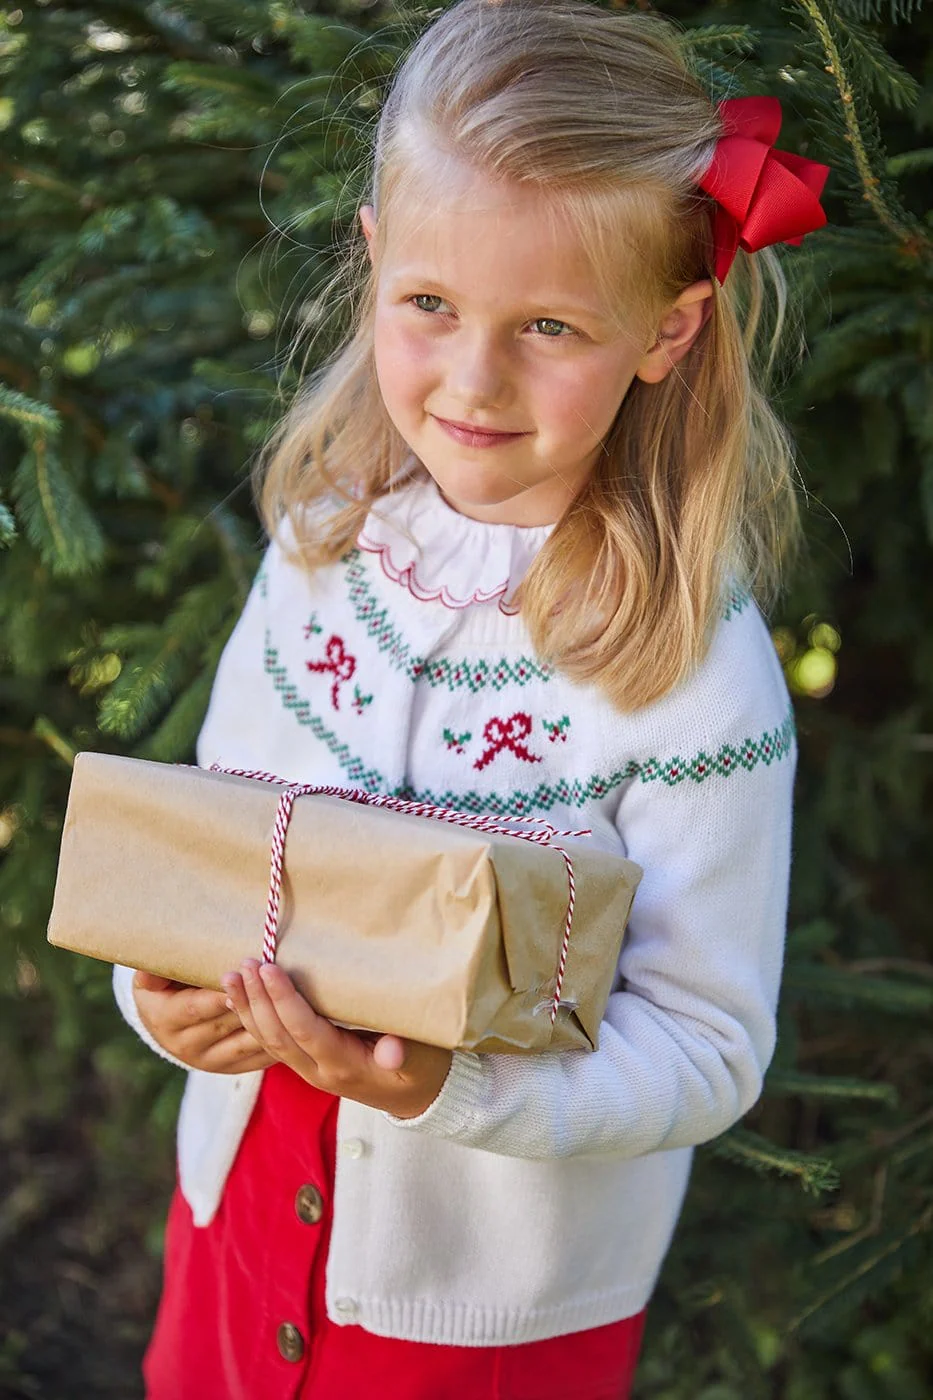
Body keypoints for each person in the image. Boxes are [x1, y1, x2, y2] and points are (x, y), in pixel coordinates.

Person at [113, 1, 829, 1395]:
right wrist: (169, 999)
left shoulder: (688, 672)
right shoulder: (326, 537)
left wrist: (450, 1088)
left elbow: (705, 1048)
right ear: (375, 258)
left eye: (549, 324)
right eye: (430, 306)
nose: (473, 379)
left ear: (667, 333)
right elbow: (211, 847)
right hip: (245, 1199)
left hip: (478, 1312)